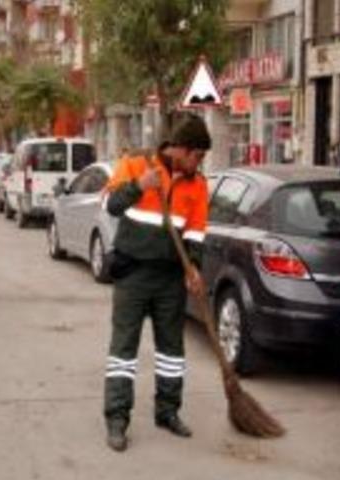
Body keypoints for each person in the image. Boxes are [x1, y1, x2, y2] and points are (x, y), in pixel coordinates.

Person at [102, 115, 211, 451]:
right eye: (197, 155)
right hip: (133, 274)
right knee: (124, 350)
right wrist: (140, 186)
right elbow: (111, 205)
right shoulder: (137, 164)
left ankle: (168, 411)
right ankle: (117, 418)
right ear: (179, 149)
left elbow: (195, 232)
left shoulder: (198, 185)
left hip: (169, 280)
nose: (199, 162)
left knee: (171, 352)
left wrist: (194, 268)